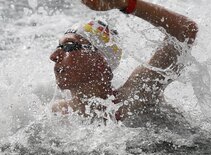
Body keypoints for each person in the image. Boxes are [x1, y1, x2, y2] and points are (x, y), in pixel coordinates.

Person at [50, 0, 198, 125]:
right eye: (58, 47)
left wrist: (125, 3)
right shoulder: (57, 113)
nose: (54, 56)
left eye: (69, 46)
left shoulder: (135, 97)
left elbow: (185, 30)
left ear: (100, 61)